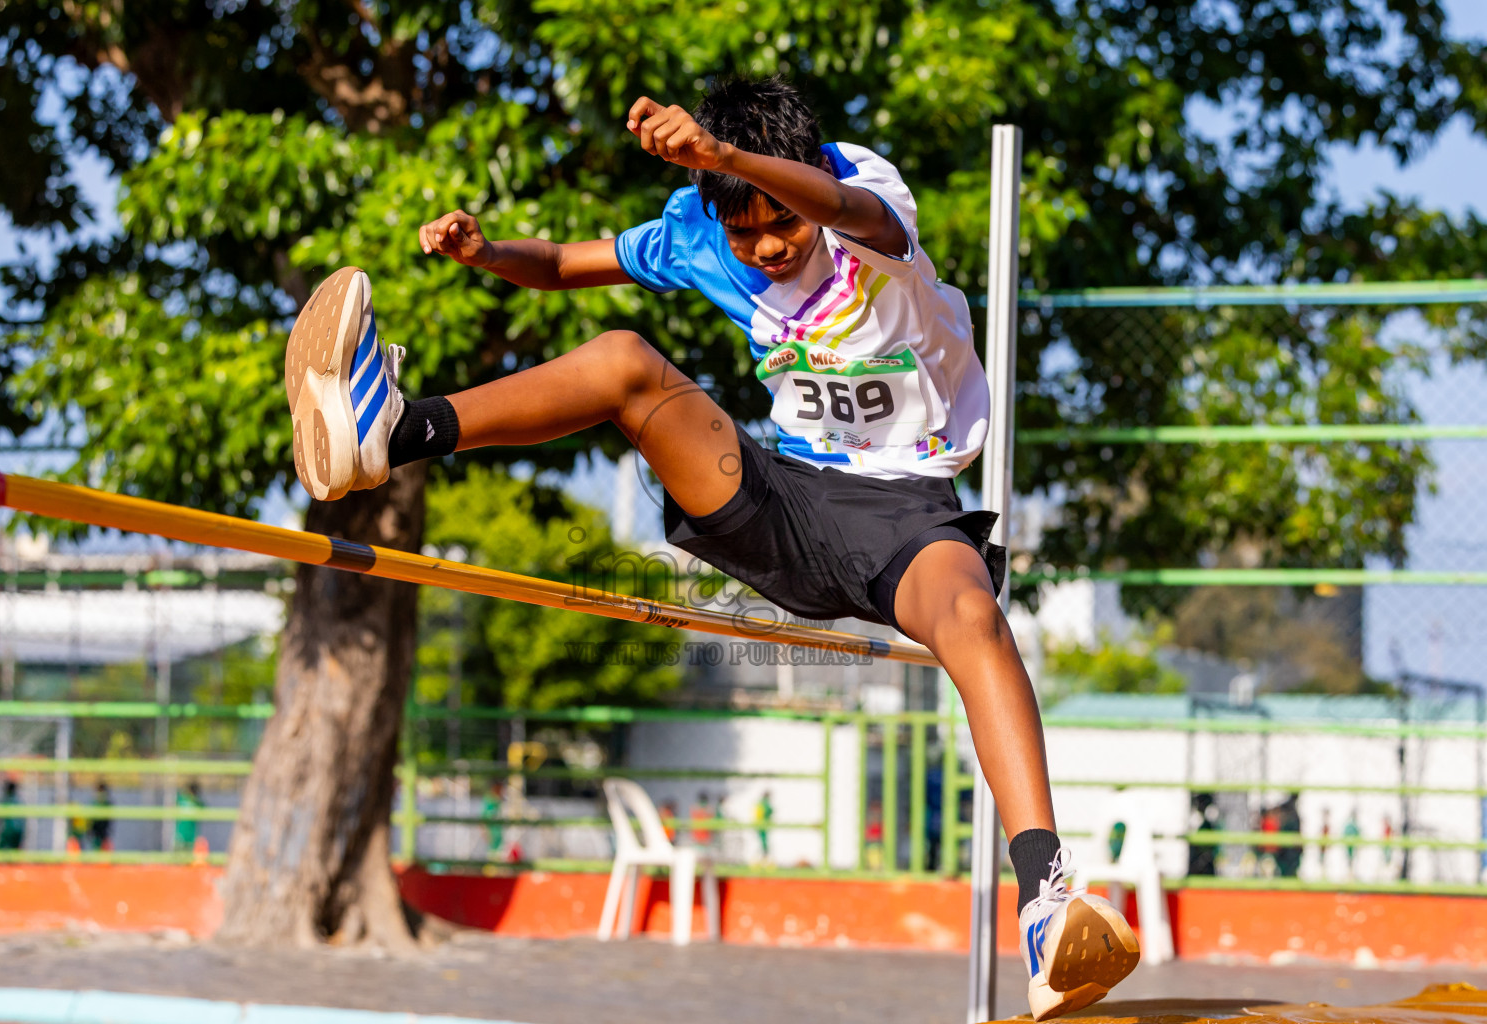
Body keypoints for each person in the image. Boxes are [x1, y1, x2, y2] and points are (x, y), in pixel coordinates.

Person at [282, 75, 1137, 1019]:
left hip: (905, 510)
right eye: (744, 235)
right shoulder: (698, 220)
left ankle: (1047, 905)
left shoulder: (865, 193)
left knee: (974, 618)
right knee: (621, 362)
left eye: (781, 227)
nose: (767, 249)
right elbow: (569, 263)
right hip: (781, 496)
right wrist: (490, 252)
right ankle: (394, 433)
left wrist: (726, 160)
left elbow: (849, 213)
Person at [176, 779, 207, 851]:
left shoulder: (183, 800)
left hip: (186, 834)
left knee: (182, 853)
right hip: (184, 834)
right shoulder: (188, 801)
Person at [0, 778, 24, 851]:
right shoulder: (18, 801)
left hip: (8, 831)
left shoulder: (4, 800)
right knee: (14, 852)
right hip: (18, 831)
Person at [89, 780, 114, 853]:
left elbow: (109, 821)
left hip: (104, 832)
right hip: (96, 832)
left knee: (105, 850)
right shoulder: (93, 804)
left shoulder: (107, 804)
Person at [755, 789, 774, 864]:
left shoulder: (761, 802)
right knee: (763, 843)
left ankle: (763, 857)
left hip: (761, 825)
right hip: (762, 825)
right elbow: (769, 811)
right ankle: (763, 858)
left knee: (763, 842)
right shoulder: (764, 803)